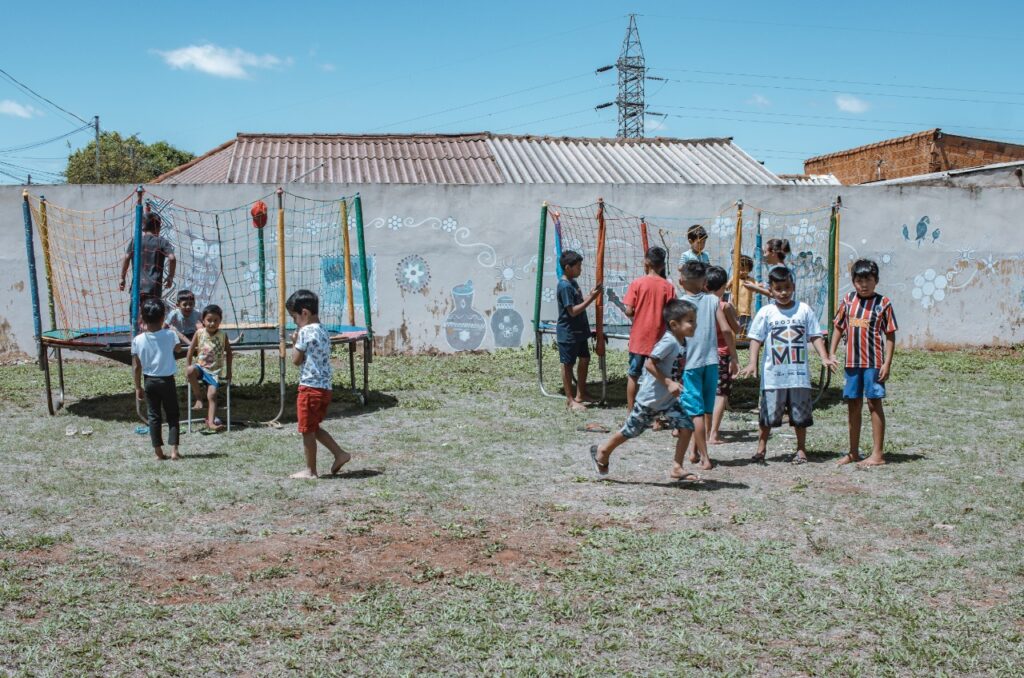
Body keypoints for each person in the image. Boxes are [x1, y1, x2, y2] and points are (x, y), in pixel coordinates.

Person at [589, 299, 700, 482]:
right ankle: (602, 451)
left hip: (667, 400)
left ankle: (677, 467)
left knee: (686, 426)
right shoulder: (669, 341)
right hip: (650, 399)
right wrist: (668, 383)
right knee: (631, 431)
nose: (694, 325)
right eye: (690, 321)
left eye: (694, 320)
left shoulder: (682, 341)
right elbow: (649, 363)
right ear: (674, 324)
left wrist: (676, 384)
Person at [739, 267, 838, 464]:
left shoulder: (804, 310)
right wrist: (752, 363)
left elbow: (815, 336)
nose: (783, 293)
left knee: (800, 416)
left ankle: (801, 450)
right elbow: (756, 339)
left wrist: (825, 357)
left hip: (798, 376)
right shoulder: (766, 312)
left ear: (793, 287)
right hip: (773, 376)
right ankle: (761, 449)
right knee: (767, 416)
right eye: (778, 289)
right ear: (771, 290)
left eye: (786, 288)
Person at [829, 259, 898, 467]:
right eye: (859, 280)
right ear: (853, 282)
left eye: (868, 279)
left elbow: (890, 335)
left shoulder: (883, 303)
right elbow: (839, 327)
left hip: (874, 363)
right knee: (853, 405)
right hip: (852, 363)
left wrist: (887, 363)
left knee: (873, 404)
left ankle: (877, 454)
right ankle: (853, 452)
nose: (864, 284)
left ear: (876, 281)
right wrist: (831, 352)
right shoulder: (848, 301)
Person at [286, 289, 352, 479]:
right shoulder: (323, 329)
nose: (294, 322)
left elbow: (296, 360)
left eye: (294, 317)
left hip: (310, 388)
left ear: (304, 313)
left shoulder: (305, 331)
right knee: (313, 427)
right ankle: (340, 454)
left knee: (306, 429)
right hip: (325, 388)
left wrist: (294, 342)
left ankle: (310, 470)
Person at [677, 260, 736, 470]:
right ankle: (693, 452)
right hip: (712, 362)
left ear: (682, 281)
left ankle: (705, 457)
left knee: (695, 413)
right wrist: (735, 357)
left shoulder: (681, 303)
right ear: (704, 281)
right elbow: (727, 330)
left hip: (691, 364)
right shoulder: (713, 301)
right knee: (705, 409)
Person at [607, 246, 676, 412]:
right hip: (659, 338)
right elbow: (673, 312)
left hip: (639, 338)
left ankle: (631, 412)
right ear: (662, 265)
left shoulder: (637, 283)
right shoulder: (668, 286)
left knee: (633, 374)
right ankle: (657, 419)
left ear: (646, 262)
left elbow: (629, 310)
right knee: (658, 378)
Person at [131, 298, 181, 460]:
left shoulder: (137, 340)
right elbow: (178, 348)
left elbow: (137, 366)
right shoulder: (170, 335)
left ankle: (158, 451)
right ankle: (174, 450)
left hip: (149, 381)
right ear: (163, 318)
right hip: (167, 380)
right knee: (173, 415)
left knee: (154, 416)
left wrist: (138, 387)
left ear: (142, 319)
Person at [556, 250, 602, 411]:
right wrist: (592, 299)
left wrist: (590, 294)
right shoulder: (564, 286)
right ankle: (570, 400)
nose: (580, 269)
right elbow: (573, 311)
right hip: (568, 332)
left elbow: (579, 303)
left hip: (580, 331)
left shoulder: (573, 283)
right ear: (568, 267)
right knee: (568, 364)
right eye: (578, 267)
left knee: (585, 359)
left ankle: (581, 394)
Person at [704, 266, 741, 445]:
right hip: (721, 354)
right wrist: (733, 309)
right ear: (724, 286)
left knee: (704, 393)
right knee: (721, 394)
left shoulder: (699, 304)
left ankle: (703, 431)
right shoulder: (723, 306)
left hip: (702, 354)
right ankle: (713, 434)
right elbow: (735, 328)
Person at [119, 211, 175, 320]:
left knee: (136, 316)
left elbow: (126, 257)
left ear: (143, 227)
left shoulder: (136, 240)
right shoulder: (161, 241)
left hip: (137, 286)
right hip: (154, 286)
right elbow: (172, 258)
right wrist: (170, 277)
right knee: (152, 316)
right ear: (158, 227)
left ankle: (136, 334)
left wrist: (122, 277)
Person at [185, 304, 232, 431]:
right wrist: (187, 366)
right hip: (200, 368)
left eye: (215, 320)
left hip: (214, 372)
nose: (212, 323)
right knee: (190, 371)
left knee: (212, 394)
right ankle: (198, 398)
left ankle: (211, 422)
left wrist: (229, 372)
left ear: (220, 321)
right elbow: (190, 351)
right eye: (209, 320)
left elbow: (229, 353)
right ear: (203, 321)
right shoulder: (199, 333)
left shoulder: (223, 335)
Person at [727, 255, 755, 335]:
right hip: (735, 311)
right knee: (735, 329)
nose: (741, 272)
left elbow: (757, 287)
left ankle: (744, 342)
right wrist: (730, 281)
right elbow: (726, 287)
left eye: (744, 270)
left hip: (747, 312)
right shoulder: (734, 279)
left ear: (749, 270)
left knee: (746, 330)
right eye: (739, 270)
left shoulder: (751, 280)